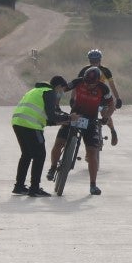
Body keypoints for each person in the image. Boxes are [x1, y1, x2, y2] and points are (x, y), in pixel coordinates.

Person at [48, 66, 114, 195]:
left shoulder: (103, 88)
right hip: (74, 116)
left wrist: (105, 117)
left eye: (92, 85)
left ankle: (93, 185)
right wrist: (56, 104)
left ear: (97, 82)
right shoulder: (78, 81)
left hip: (90, 120)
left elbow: (111, 105)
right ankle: (52, 167)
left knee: (92, 153)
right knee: (59, 142)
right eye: (86, 83)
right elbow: (61, 90)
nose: (88, 86)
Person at [11, 75, 73, 197]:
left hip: (18, 123)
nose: (61, 94)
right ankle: (34, 188)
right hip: (30, 125)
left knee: (27, 154)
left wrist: (59, 121)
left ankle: (19, 187)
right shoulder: (50, 93)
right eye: (62, 90)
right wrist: (69, 117)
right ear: (59, 87)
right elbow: (51, 115)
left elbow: (46, 118)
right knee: (40, 155)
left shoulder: (36, 91)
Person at [85, 49, 122, 145]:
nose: (94, 63)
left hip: (102, 96)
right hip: (88, 96)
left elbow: (112, 86)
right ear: (89, 61)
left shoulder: (105, 71)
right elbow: (77, 85)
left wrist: (118, 98)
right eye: (92, 61)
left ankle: (113, 131)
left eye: (96, 61)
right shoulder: (85, 70)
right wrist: (73, 98)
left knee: (105, 113)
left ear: (100, 60)